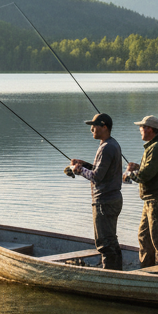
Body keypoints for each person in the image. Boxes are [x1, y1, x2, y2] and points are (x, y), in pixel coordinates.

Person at [69, 113, 123, 270]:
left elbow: (97, 177)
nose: (92, 128)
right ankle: (117, 274)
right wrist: (84, 164)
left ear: (104, 126)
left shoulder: (106, 148)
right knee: (111, 240)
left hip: (104, 202)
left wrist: (78, 170)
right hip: (113, 199)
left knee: (104, 243)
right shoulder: (112, 144)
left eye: (94, 125)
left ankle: (110, 277)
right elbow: (102, 171)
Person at [124, 115, 158, 267]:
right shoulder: (154, 146)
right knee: (144, 236)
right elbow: (150, 170)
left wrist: (130, 174)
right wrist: (137, 168)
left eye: (141, 128)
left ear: (149, 129)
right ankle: (147, 270)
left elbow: (146, 175)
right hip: (152, 198)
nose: (140, 130)